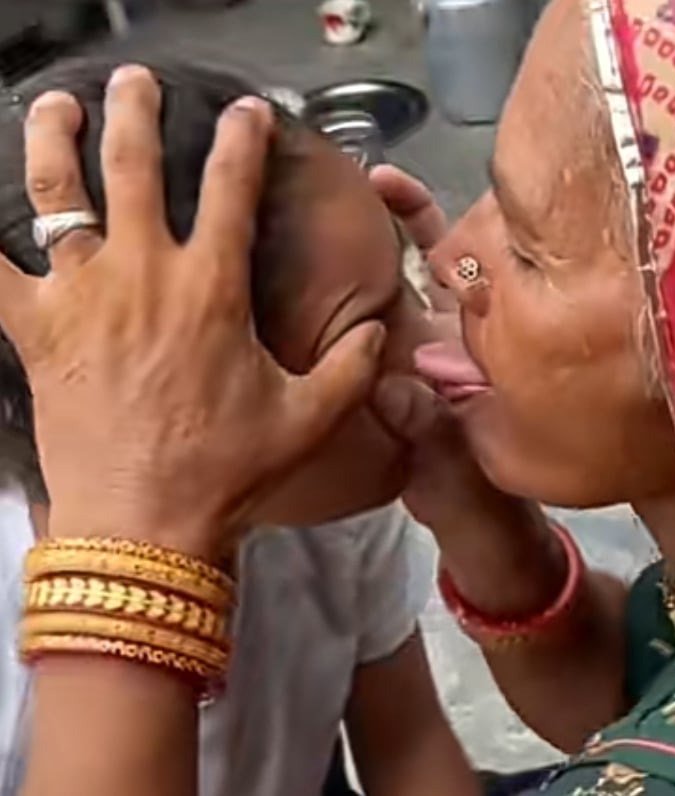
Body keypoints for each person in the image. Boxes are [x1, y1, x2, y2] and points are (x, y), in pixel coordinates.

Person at [4, 0, 675, 794]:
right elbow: (637, 687)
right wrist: (477, 510)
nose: (453, 263)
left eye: (530, 243)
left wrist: (128, 551)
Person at [0, 59, 476, 796]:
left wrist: (495, 535)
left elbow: (409, 746)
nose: (446, 354)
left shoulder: (330, 519)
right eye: (367, 334)